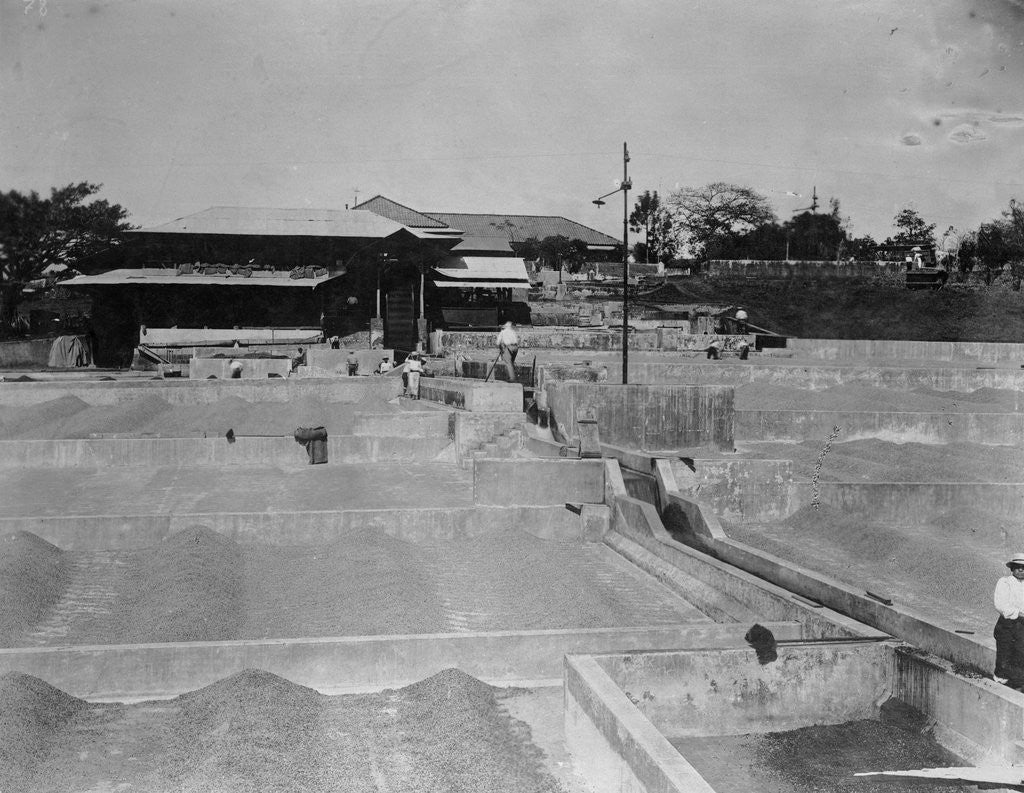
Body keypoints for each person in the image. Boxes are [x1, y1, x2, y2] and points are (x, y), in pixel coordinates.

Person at [995, 554, 1024, 690]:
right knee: (1004, 654)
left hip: (1021, 627)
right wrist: (1018, 613)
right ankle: (1001, 685)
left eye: (1023, 568)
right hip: (1007, 625)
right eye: (1018, 567)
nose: (1021, 570)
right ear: (1012, 568)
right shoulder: (1005, 582)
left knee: (1020, 654)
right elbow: (1000, 605)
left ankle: (1018, 685)